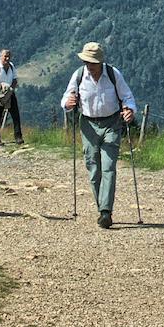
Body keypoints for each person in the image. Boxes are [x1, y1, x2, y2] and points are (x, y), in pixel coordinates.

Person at [61, 42, 136, 229]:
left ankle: (105, 212)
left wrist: (130, 110)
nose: (89, 65)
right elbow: (66, 99)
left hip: (112, 123)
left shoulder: (113, 74)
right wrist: (68, 103)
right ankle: (101, 207)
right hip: (88, 125)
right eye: (86, 61)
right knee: (94, 169)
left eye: (92, 62)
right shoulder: (79, 76)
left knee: (109, 166)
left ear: (100, 61)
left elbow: (127, 97)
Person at [0, 49, 24, 145]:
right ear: (0, 57)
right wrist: (3, 87)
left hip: (10, 94)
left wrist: (10, 89)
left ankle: (18, 137)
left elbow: (15, 80)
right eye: (5, 56)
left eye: (8, 56)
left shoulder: (11, 66)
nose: (7, 58)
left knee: (16, 116)